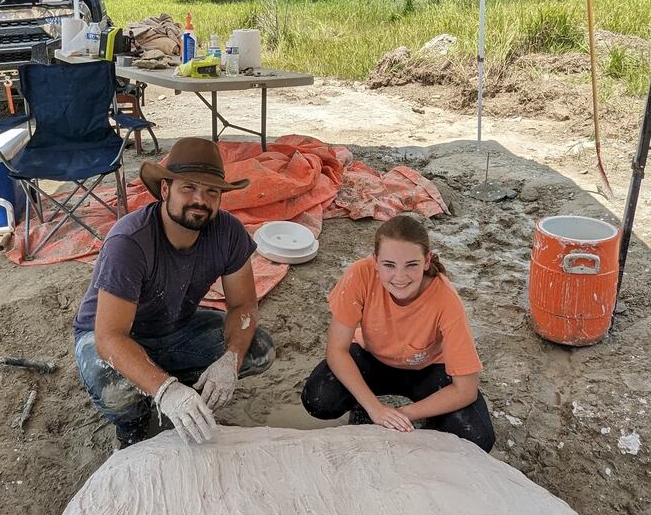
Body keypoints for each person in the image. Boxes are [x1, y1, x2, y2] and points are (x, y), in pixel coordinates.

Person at [73, 137, 275, 447]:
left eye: (211, 191)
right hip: (113, 334)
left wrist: (230, 360)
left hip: (176, 327)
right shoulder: (129, 242)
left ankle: (183, 388)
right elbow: (109, 337)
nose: (200, 200)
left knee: (258, 349)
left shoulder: (229, 232)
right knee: (113, 386)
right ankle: (133, 424)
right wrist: (167, 390)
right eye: (188, 188)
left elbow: (244, 305)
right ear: (165, 190)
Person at [301, 215, 495, 452]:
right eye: (389, 265)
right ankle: (362, 407)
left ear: (427, 261)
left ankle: (429, 419)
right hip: (372, 358)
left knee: (477, 436)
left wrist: (402, 414)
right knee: (319, 399)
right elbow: (336, 350)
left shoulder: (446, 300)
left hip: (426, 369)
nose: (400, 278)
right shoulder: (359, 275)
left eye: (411, 265)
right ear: (375, 261)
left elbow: (466, 389)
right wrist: (374, 408)